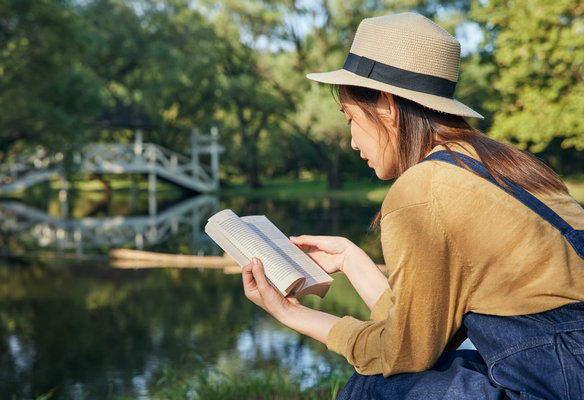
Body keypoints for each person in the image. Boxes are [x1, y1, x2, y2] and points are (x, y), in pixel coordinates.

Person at [241, 12, 584, 399]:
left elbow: (401, 355)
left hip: (561, 380)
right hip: (564, 366)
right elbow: (419, 334)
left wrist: (291, 313)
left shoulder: (423, 188)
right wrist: (354, 261)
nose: (352, 141)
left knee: (373, 387)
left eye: (350, 118)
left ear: (386, 106)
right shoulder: (496, 164)